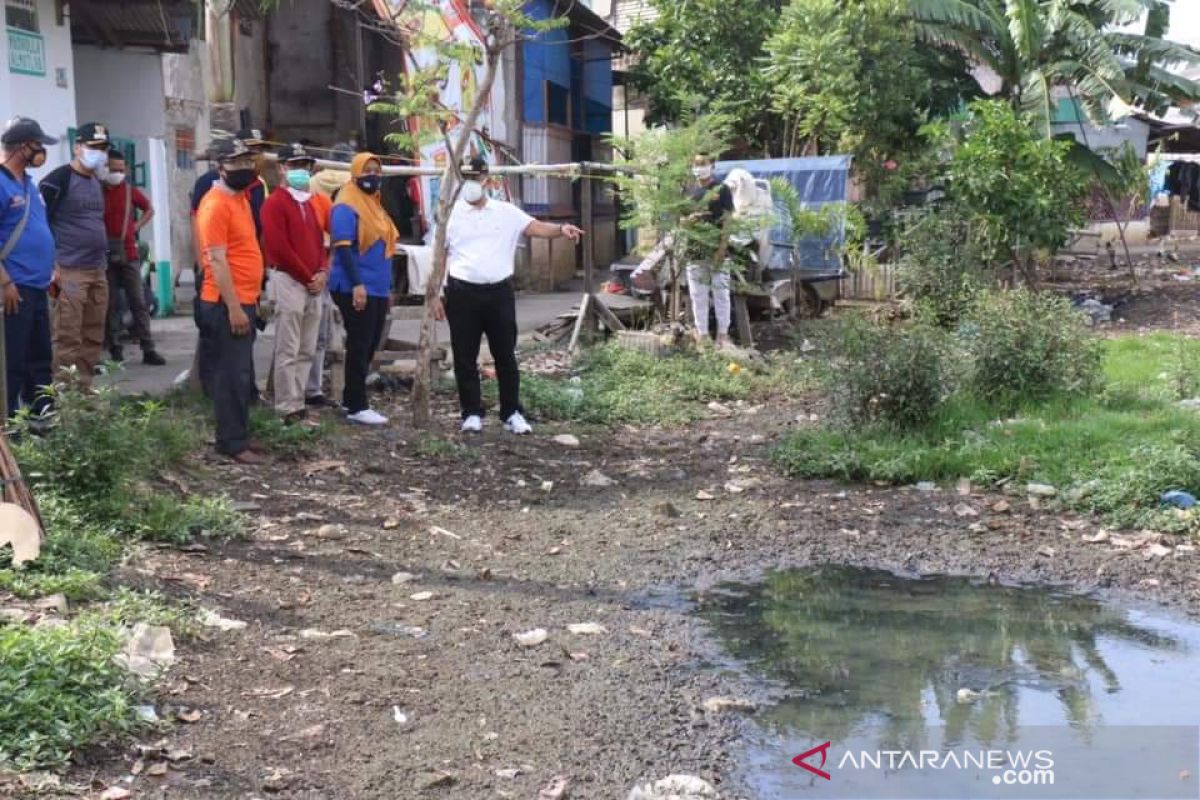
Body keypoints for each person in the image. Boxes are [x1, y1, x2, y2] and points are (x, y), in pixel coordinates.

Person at [438, 157, 583, 435]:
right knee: (464, 355)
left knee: (505, 353)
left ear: (487, 179)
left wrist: (560, 229)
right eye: (467, 177)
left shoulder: (505, 212)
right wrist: (434, 294)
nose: (472, 183)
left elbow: (535, 227)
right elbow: (439, 256)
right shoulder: (449, 214)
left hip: (498, 291)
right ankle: (470, 412)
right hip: (461, 291)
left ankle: (511, 411)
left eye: (476, 177)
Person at [195, 138, 266, 464]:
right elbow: (217, 261)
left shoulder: (240, 199)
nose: (244, 168)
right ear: (220, 167)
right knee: (230, 374)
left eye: (247, 162)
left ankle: (239, 436)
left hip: (244, 299)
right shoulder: (215, 205)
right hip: (225, 304)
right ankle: (232, 442)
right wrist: (235, 307)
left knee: (241, 373)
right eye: (236, 163)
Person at [39, 122, 112, 385]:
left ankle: (83, 392)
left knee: (93, 335)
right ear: (77, 147)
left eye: (103, 148)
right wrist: (51, 265)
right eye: (93, 147)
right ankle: (64, 398)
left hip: (97, 269)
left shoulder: (96, 181)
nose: (99, 153)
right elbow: (39, 222)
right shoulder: (58, 180)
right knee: (67, 336)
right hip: (69, 271)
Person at [328, 152, 397, 426]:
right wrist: (357, 284)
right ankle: (357, 404)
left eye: (376, 171)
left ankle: (350, 398)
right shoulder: (346, 204)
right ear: (355, 173)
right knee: (360, 343)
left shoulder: (374, 204)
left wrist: (387, 287)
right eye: (367, 170)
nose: (373, 176)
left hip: (377, 286)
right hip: (354, 285)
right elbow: (343, 246)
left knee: (370, 343)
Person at [261, 143, 328, 424]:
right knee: (287, 347)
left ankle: (299, 402)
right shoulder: (274, 204)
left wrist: (322, 271)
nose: (300, 171)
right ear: (281, 168)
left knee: (307, 348)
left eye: (305, 166)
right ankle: (286, 406)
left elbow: (320, 241)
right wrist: (308, 276)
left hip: (312, 281)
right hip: (289, 279)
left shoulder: (310, 203)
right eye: (294, 165)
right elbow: (279, 248)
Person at [0, 117, 57, 418]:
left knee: (39, 359)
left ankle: (41, 420)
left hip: (36, 286)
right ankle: (8, 429)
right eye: (38, 145)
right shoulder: (1, 183)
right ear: (23, 147)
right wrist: (5, 283)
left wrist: (53, 267)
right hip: (14, 289)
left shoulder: (30, 185)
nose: (41, 152)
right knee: (13, 362)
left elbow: (39, 228)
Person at [101, 149, 164, 365]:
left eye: (121, 169)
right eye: (112, 169)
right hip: (104, 254)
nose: (117, 173)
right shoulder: (96, 190)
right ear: (104, 167)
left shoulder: (129, 191)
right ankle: (114, 348)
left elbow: (149, 209)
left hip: (129, 253)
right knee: (109, 303)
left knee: (138, 301)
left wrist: (135, 226)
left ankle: (148, 348)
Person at [682, 152, 734, 348]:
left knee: (721, 293)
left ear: (712, 165)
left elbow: (728, 220)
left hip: (717, 250)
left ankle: (723, 335)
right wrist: (688, 221)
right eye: (696, 163)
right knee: (698, 295)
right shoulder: (689, 190)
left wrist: (722, 249)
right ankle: (703, 335)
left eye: (703, 163)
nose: (699, 167)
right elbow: (681, 220)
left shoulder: (722, 189)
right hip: (694, 250)